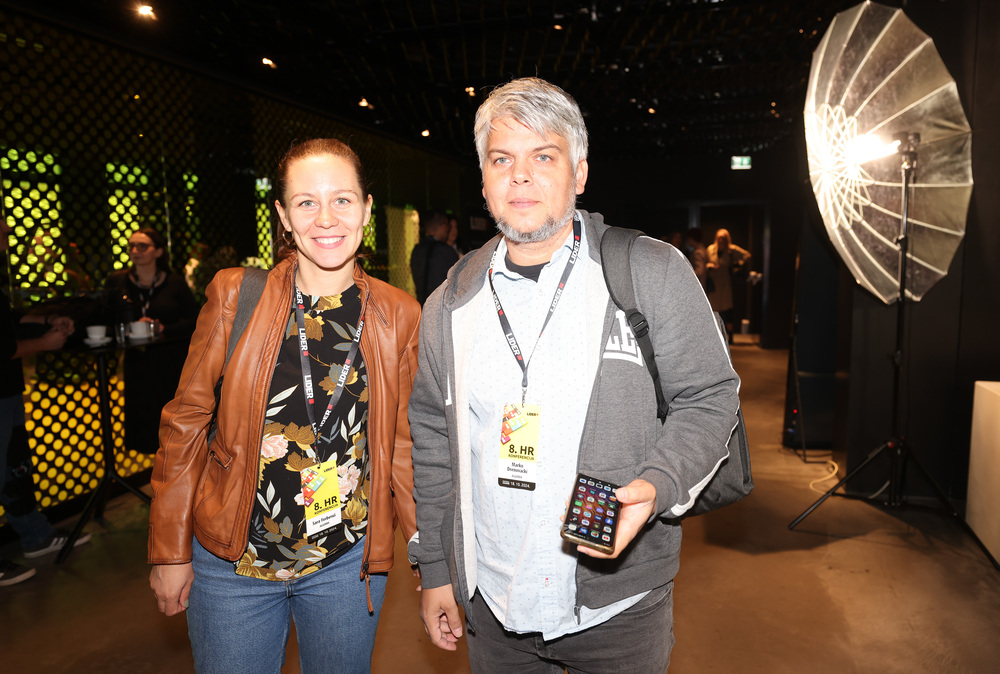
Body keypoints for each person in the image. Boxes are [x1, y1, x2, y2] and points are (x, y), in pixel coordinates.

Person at [408, 77, 741, 672]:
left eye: (543, 156)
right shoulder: (448, 304)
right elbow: (433, 443)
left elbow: (710, 397)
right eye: (501, 159)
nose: (520, 176)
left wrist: (658, 484)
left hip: (618, 611)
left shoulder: (649, 272)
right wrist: (436, 570)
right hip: (493, 606)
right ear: (483, 180)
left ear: (579, 173)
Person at [148, 138, 421, 674]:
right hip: (233, 564)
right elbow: (185, 421)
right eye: (306, 202)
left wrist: (425, 555)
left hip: (345, 563)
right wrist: (169, 549)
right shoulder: (237, 296)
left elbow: (404, 448)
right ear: (283, 216)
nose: (326, 218)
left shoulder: (399, 314)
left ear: (366, 209)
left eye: (342, 200)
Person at [0, 221, 89, 586]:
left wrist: (46, 320)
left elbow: (8, 323)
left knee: (15, 468)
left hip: (7, 392)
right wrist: (44, 343)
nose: (7, 230)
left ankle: (35, 535)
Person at [104, 228, 199, 453]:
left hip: (170, 359)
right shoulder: (117, 282)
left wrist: (165, 328)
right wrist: (128, 327)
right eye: (132, 246)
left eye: (142, 246)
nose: (135, 251)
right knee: (143, 418)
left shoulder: (175, 282)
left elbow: (196, 320)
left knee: (173, 417)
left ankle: (176, 464)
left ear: (158, 252)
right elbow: (106, 317)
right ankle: (152, 467)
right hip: (137, 359)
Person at [706, 227, 751, 340]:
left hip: (725, 283)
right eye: (720, 238)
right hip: (714, 284)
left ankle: (730, 336)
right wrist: (709, 266)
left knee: (727, 311)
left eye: (724, 238)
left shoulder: (731, 250)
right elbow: (705, 262)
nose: (721, 240)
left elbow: (747, 255)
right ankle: (715, 336)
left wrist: (738, 264)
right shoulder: (711, 249)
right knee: (713, 309)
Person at [409, 210, 459, 303]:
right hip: (443, 306)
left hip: (421, 305)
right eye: (448, 227)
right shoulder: (446, 251)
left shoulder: (416, 250)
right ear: (443, 227)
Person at [684, 227, 710, 292]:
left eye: (688, 238)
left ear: (692, 238)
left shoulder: (698, 252)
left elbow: (699, 271)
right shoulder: (702, 249)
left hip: (698, 286)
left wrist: (686, 273)